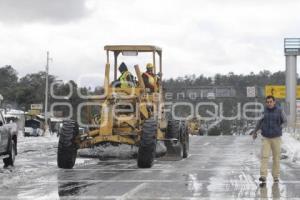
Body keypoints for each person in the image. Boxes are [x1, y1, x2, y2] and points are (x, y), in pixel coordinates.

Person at [252, 95, 287, 183]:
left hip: (276, 137)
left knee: (276, 157)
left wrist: (280, 127)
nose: (269, 103)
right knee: (264, 156)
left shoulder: (280, 111)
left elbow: (285, 121)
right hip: (266, 137)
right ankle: (263, 175)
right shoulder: (264, 111)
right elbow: (259, 122)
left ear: (274, 102)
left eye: (271, 102)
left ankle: (275, 176)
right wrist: (255, 132)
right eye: (267, 102)